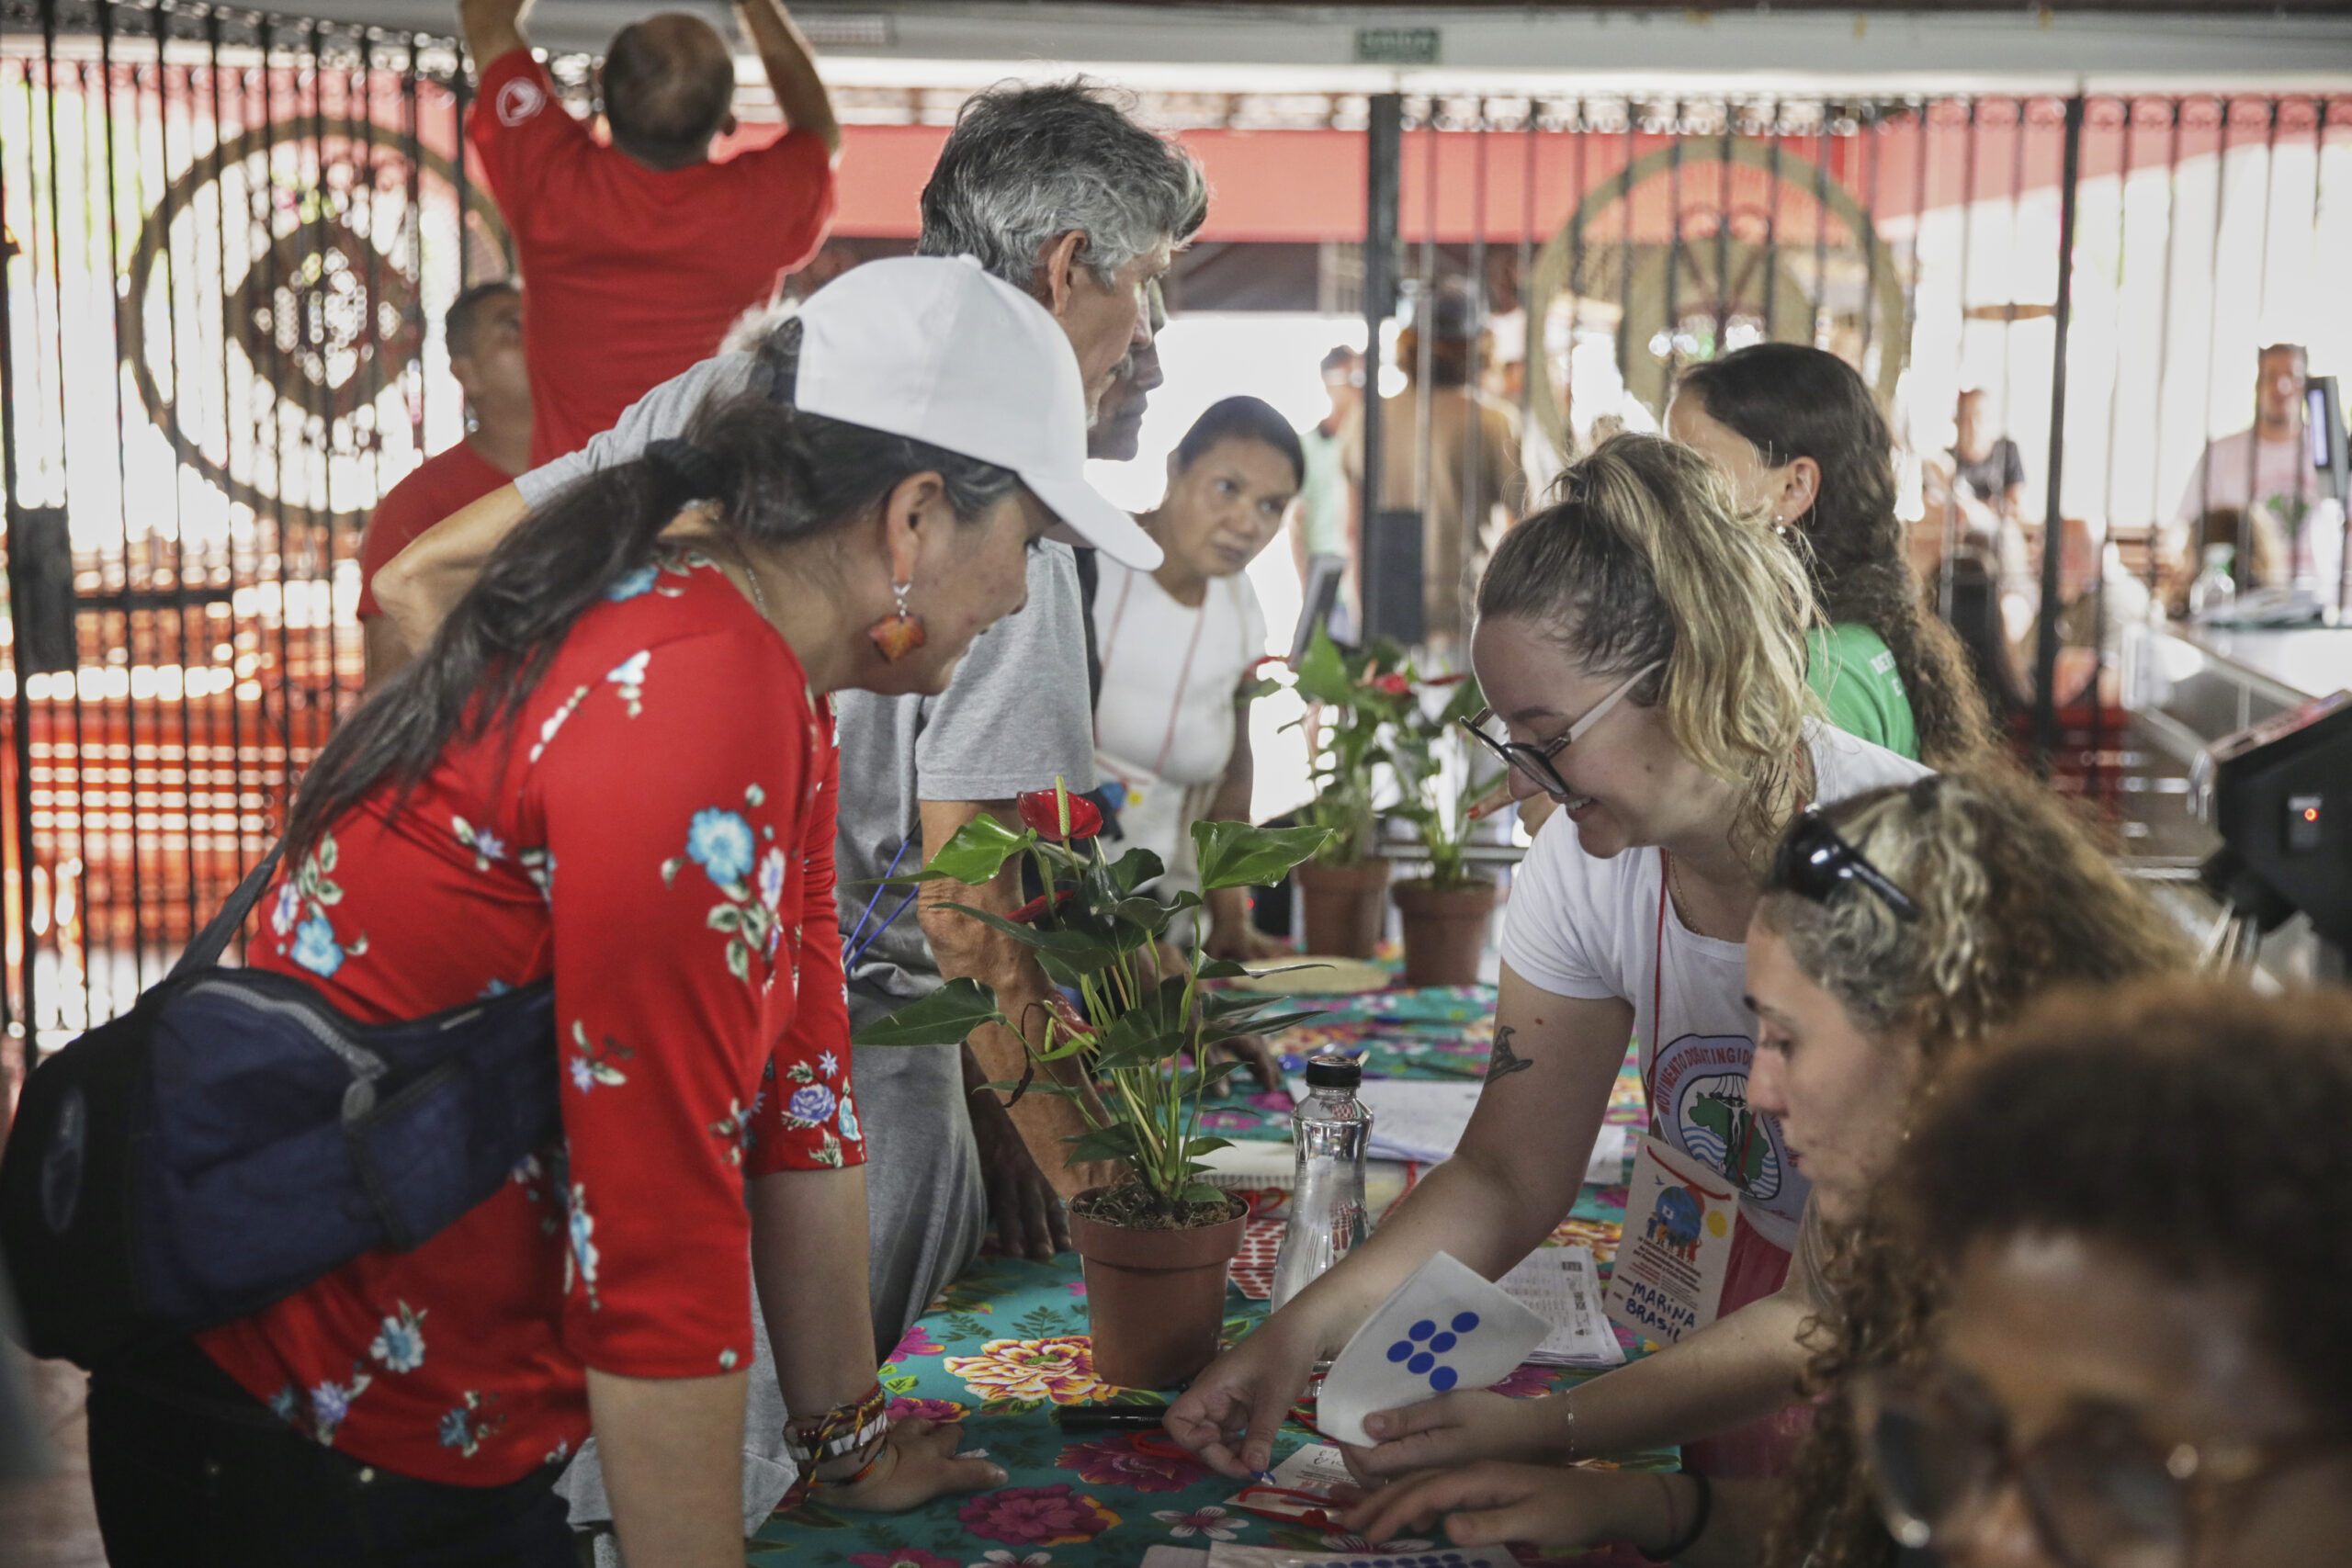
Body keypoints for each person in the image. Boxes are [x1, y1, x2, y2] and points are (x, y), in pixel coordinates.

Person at [81, 256, 1148, 1568]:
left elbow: (804, 1073)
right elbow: (657, 1226)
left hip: (438, 1415)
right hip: (314, 1433)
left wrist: (847, 1441)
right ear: (916, 519)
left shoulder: (772, 677)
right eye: (1027, 543)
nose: (1023, 594)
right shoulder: (693, 693)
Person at [372, 79, 1206, 1364]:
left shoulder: (738, 415)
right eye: (1147, 283)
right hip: (714, 1134)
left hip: (740, 1083)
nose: (1147, 335)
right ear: (911, 526)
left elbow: (421, 583)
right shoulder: (731, 698)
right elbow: (971, 920)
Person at [1165, 434, 1928, 1484]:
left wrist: (1552, 1431)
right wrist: (1295, 1334)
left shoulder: (1891, 860)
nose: (1525, 783)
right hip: (1743, 1319)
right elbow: (1507, 1171)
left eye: (1549, 736)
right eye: (1510, 742)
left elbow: (1836, 1308)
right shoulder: (1587, 859)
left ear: (1687, 672)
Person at [1330, 768, 2190, 1562]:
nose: (1759, 1089)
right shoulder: (1938, 1205)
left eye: (1787, 1039)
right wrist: (1641, 1505)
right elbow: (1873, 1533)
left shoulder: (2114, 1315)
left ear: (1932, 1032)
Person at [459, 0, 840, 464]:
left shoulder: (551, 183)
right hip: (714, 495)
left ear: (600, 87)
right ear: (728, 120)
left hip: (579, 500)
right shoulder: (763, 204)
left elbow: (484, 16)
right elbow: (818, 129)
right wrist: (755, 6)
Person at [1668, 344, 1993, 768]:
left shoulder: (1813, 677)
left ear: (1794, 488)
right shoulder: (1840, 644)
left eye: (1693, 467)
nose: (1665, 489)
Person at [1094, 397, 1298, 953]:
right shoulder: (1090, 566)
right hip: (1065, 917)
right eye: (1227, 488)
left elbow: (1232, 780)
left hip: (1168, 923)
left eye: (1271, 505)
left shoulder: (1242, 607)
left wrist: (1232, 921)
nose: (1246, 523)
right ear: (1175, 468)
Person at [357, 280, 532, 690]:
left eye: (541, 325)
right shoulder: (420, 503)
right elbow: (391, 682)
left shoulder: (607, 469)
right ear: (467, 373)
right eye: (512, 327)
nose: (538, 339)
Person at [1345, 281, 1528, 650]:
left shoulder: (1368, 418)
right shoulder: (1494, 422)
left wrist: (1362, 612)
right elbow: (1526, 528)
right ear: (1477, 346)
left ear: (1410, 343)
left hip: (1388, 607)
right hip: (1469, 608)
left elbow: (1352, 529)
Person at [2168, 343, 2327, 587]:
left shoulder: (2329, 453)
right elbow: (2188, 529)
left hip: (2319, 593)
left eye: (2292, 376)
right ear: (2257, 384)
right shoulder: (2221, 454)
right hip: (2242, 595)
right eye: (2271, 376)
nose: (2282, 386)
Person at [1290, 346, 1361, 640]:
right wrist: (1308, 589)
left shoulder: (1371, 445)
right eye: (1351, 379)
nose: (1359, 387)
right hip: (1329, 590)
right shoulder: (1307, 447)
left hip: (1367, 586)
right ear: (1328, 383)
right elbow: (1296, 524)